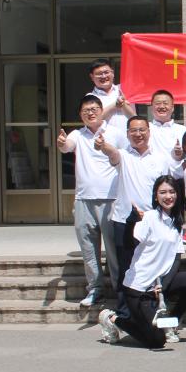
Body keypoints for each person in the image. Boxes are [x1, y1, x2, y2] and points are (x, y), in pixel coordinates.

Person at [97, 176, 186, 348]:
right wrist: (131, 223)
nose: (168, 196)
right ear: (156, 196)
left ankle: (171, 322)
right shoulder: (150, 217)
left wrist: (163, 285)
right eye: (163, 192)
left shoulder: (176, 221)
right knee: (157, 341)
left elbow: (176, 257)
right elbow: (129, 245)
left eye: (172, 192)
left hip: (160, 284)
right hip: (139, 287)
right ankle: (113, 319)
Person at [95, 116, 176, 306]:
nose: (138, 134)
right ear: (127, 134)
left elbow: (168, 188)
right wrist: (103, 145)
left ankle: (151, 307)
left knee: (153, 264)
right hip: (125, 221)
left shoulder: (161, 157)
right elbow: (112, 153)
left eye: (142, 130)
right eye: (133, 130)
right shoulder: (124, 155)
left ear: (149, 132)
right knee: (126, 266)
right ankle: (125, 310)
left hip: (154, 221)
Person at [57, 95, 122, 307]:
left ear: (102, 111)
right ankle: (95, 289)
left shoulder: (115, 132)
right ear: (81, 114)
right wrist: (61, 143)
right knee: (88, 249)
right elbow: (67, 146)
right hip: (83, 199)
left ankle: (120, 291)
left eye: (94, 109)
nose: (91, 113)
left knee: (113, 249)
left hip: (111, 198)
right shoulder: (78, 134)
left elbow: (124, 158)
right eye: (86, 110)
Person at [86, 58, 134, 140]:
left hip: (129, 140)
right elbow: (94, 120)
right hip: (105, 141)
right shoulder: (90, 97)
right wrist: (114, 105)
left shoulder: (125, 89)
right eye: (99, 74)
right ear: (92, 77)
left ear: (112, 73)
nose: (104, 76)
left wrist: (124, 105)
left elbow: (134, 117)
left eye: (106, 72)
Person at [147, 89, 186, 158]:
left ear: (172, 108)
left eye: (165, 103)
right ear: (152, 107)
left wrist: (180, 154)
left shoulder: (183, 130)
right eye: (158, 103)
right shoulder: (146, 128)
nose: (162, 107)